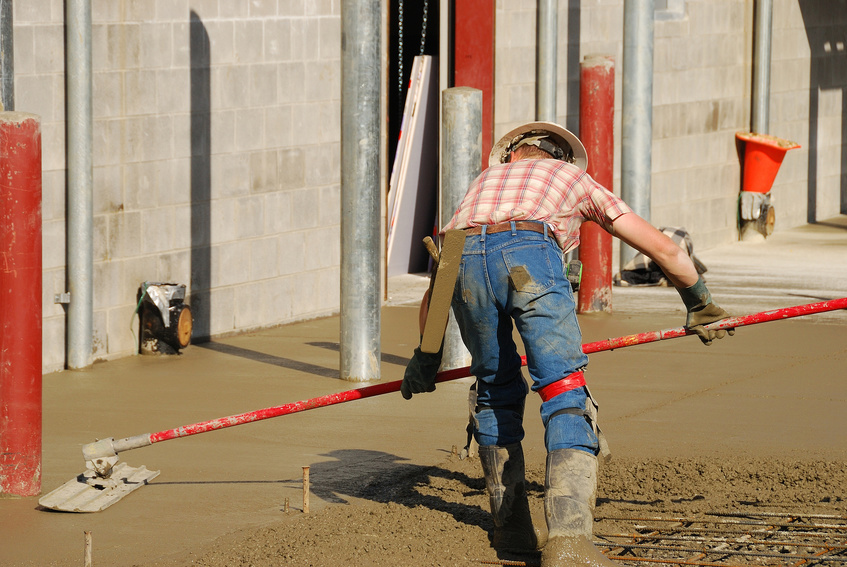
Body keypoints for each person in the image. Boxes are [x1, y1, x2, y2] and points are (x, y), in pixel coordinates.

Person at [401, 121, 734, 566]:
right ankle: (569, 542)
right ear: (558, 159)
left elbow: (442, 278)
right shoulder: (574, 178)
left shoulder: (481, 184)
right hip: (529, 252)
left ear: (513, 156)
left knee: (494, 391)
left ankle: (512, 532)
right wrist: (700, 302)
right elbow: (665, 250)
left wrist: (426, 357)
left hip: (461, 263)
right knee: (563, 390)